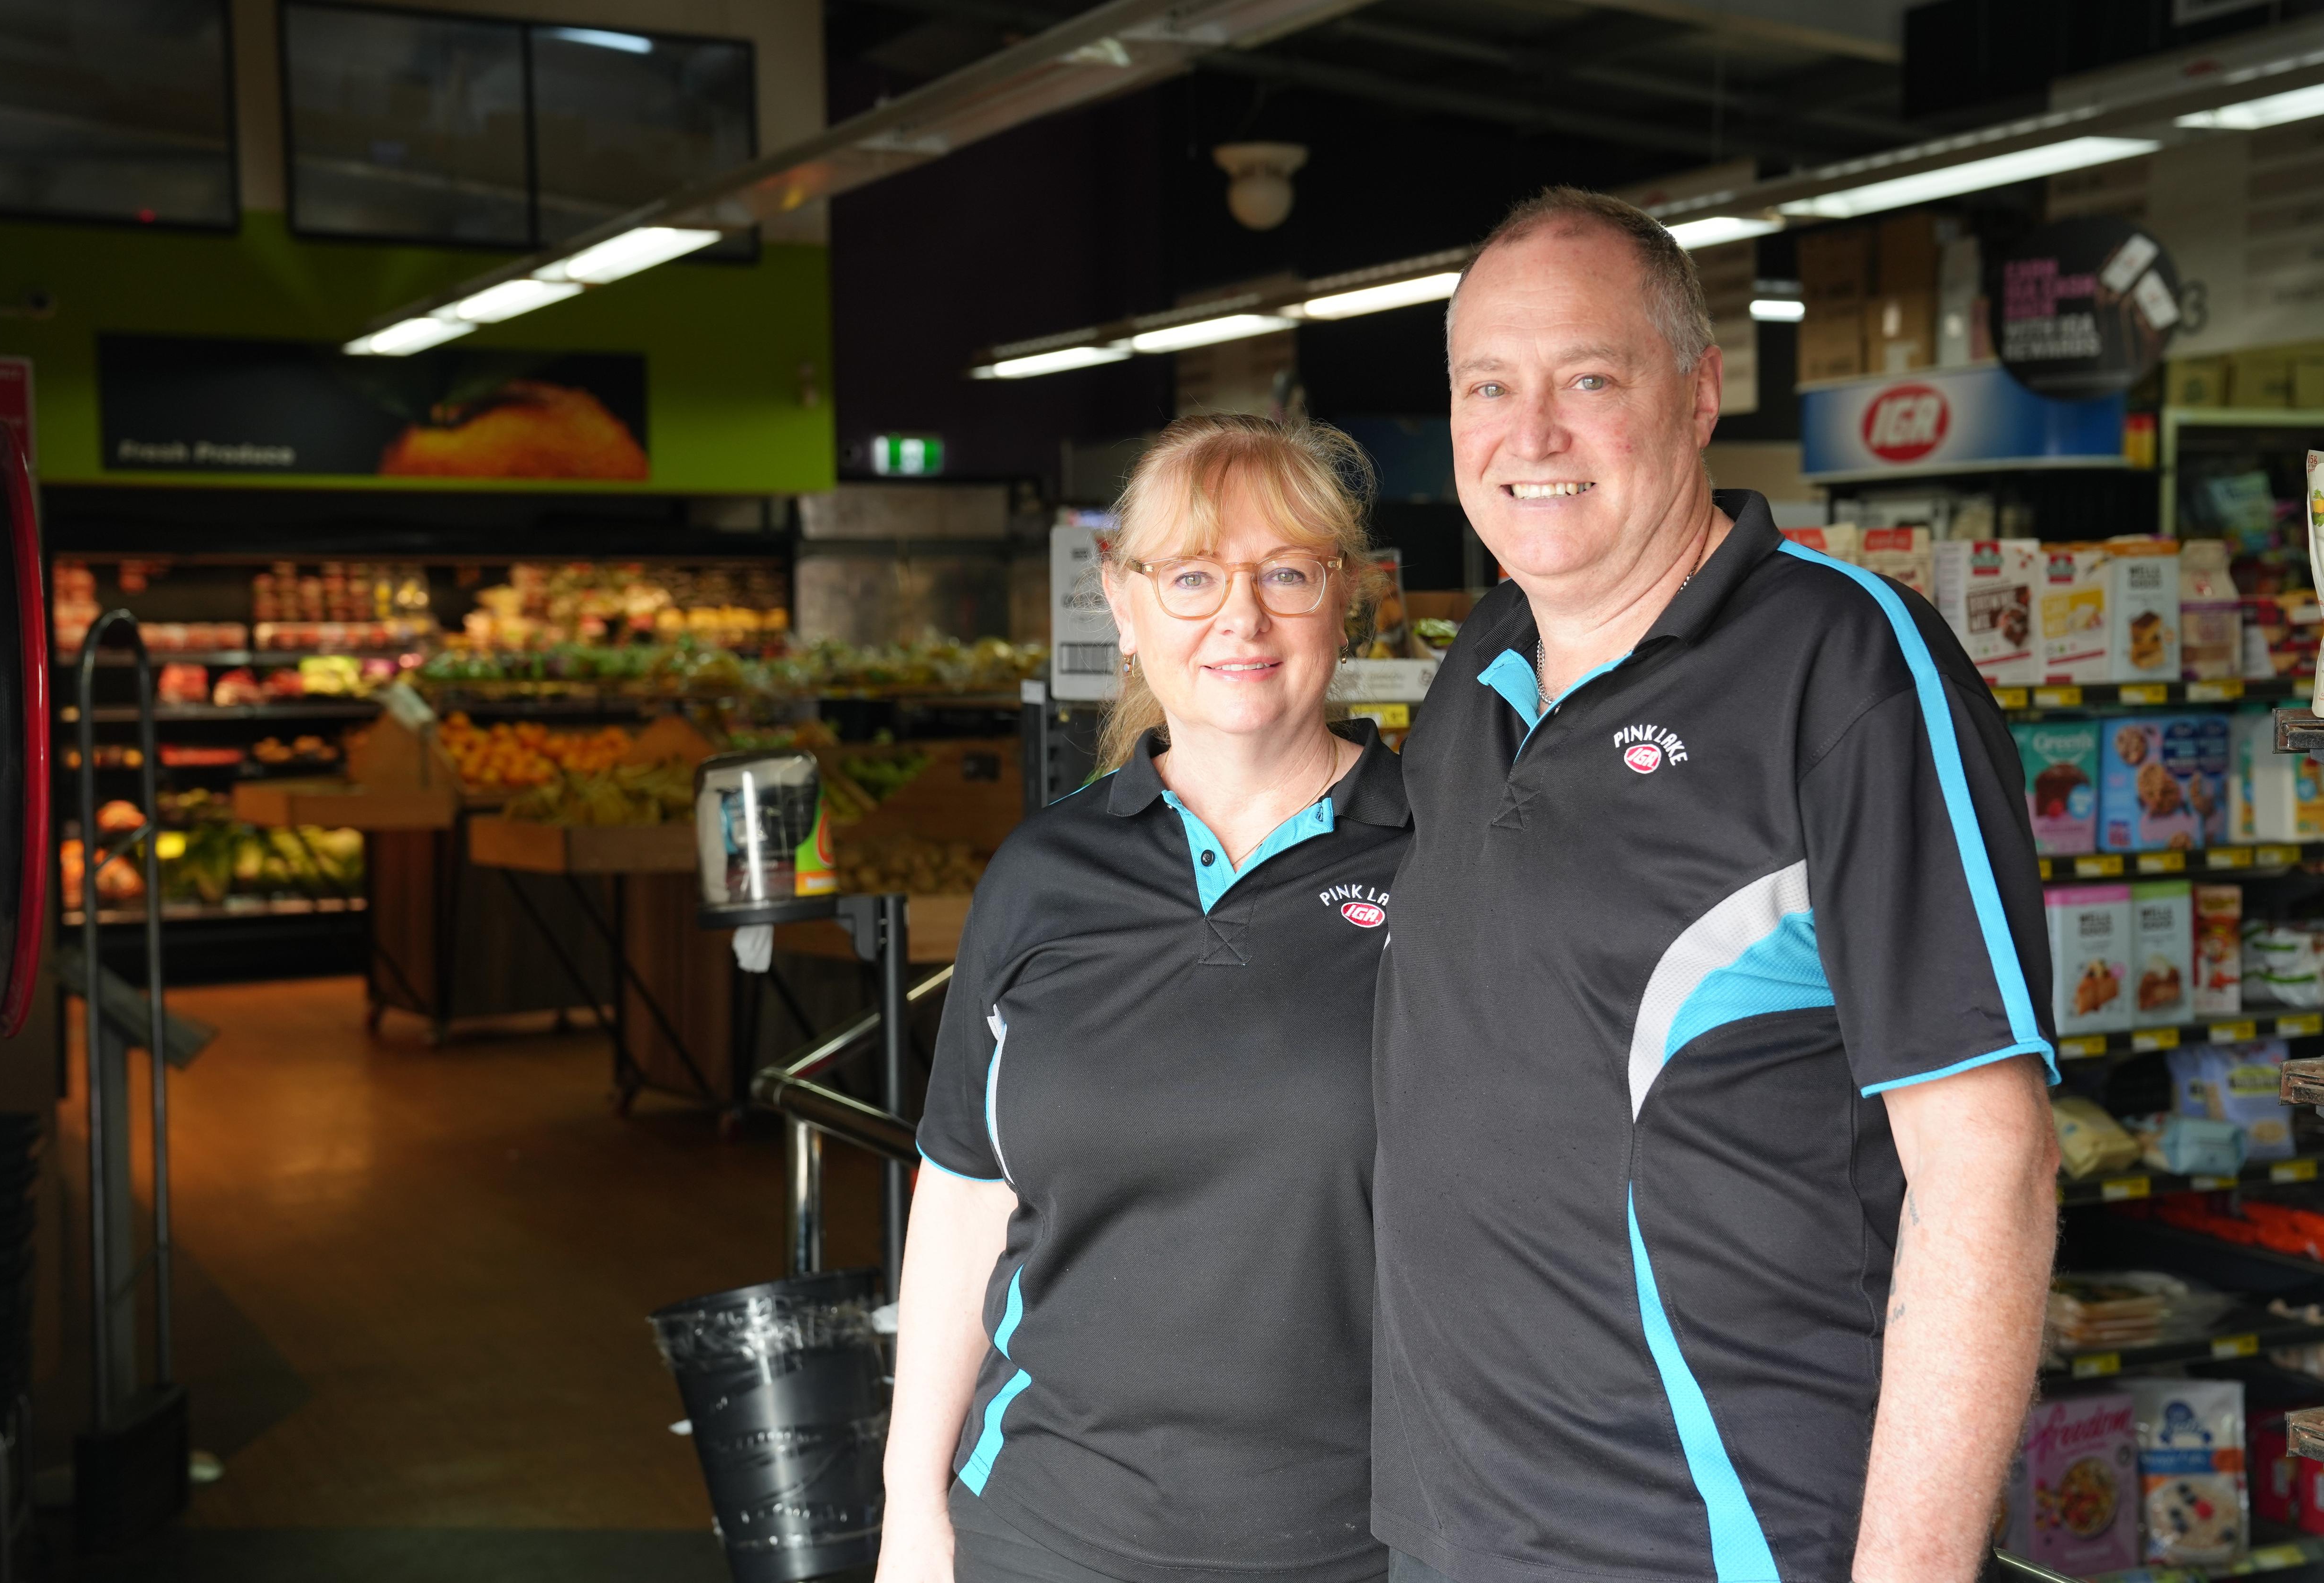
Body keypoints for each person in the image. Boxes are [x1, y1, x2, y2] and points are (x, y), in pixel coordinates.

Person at [1371, 188, 2061, 1583]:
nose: (1533, 432)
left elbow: (1991, 1167)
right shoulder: (1475, 672)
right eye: (1488, 385)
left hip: (1711, 1529)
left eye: (1590, 378)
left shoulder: (1846, 668)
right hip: (1454, 1526)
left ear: (1699, 394)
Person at [879, 414, 1409, 1583]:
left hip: (1360, 1541)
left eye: (1285, 572)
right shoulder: (1041, 873)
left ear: (1347, 596)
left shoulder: (1446, 864)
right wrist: (912, 1512)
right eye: (1190, 576)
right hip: (1043, 1528)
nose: (1240, 616)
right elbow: (966, 1196)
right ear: (1123, 605)